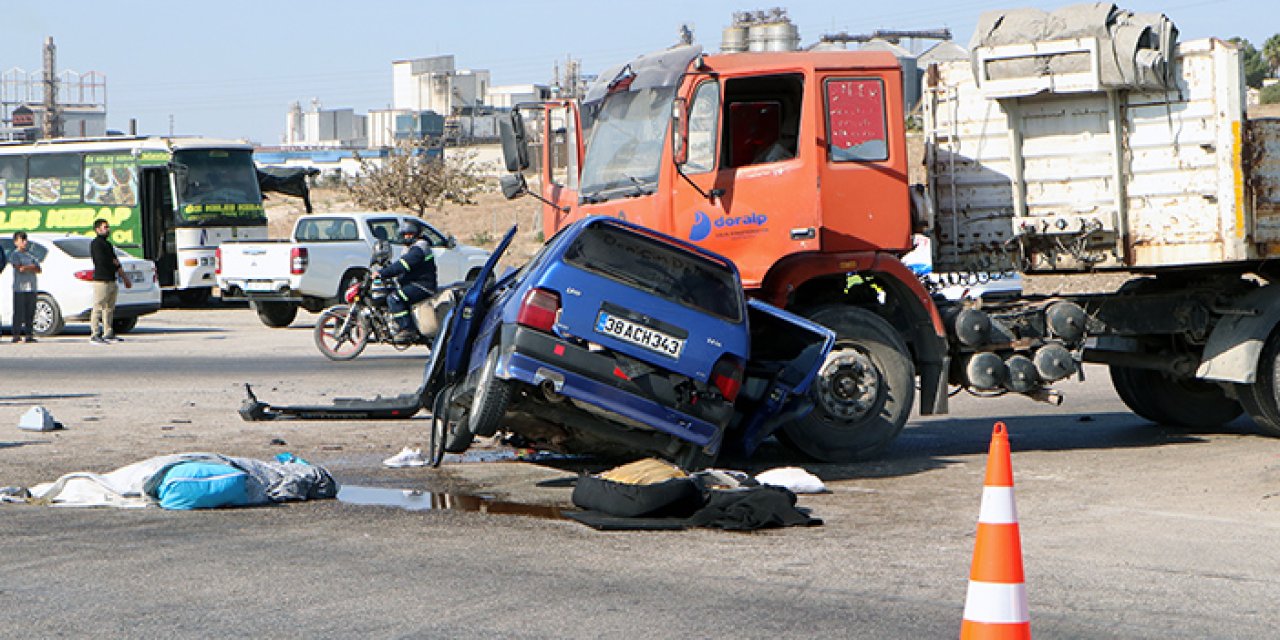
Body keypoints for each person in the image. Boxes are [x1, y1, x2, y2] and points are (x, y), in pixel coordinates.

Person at [375, 220, 437, 343]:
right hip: (413, 283)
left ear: (417, 234)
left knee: (395, 298)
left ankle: (407, 330)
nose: (407, 237)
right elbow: (400, 265)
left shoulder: (420, 247)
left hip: (422, 285)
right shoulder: (410, 248)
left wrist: (382, 273)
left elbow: (404, 264)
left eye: (410, 234)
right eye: (405, 234)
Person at [89, 218, 131, 344]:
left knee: (109, 308)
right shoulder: (96, 244)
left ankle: (108, 332)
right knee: (98, 307)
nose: (108, 229)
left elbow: (116, 261)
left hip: (111, 279)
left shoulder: (108, 244)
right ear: (98, 229)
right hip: (101, 280)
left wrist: (125, 278)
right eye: (105, 227)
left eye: (108, 227)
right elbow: (102, 261)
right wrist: (113, 264)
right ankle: (95, 333)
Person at [9, 231, 39, 342]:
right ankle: (16, 335)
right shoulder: (15, 254)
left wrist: (28, 267)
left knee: (30, 312)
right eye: (22, 240)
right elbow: (19, 268)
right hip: (20, 288)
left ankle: (29, 335)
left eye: (25, 240)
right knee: (18, 312)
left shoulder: (30, 255)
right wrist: (30, 267)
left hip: (31, 288)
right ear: (16, 242)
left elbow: (38, 269)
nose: (24, 243)